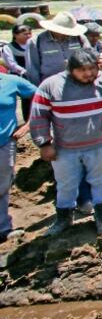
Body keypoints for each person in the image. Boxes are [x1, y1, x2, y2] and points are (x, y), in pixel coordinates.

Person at [30, 50, 102, 236]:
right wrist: (44, 144)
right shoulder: (51, 85)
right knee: (65, 185)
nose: (88, 74)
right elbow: (39, 116)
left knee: (100, 181)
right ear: (70, 69)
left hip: (100, 145)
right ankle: (64, 218)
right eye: (82, 70)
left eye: (92, 69)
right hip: (65, 148)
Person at [0, 69, 35, 241]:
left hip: (4, 143)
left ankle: (3, 228)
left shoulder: (11, 81)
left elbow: (41, 97)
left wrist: (29, 124)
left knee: (2, 185)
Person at [26, 12, 88, 86]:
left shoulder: (80, 38)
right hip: (50, 85)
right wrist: (38, 89)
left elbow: (90, 59)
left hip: (78, 83)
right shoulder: (36, 42)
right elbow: (32, 69)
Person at [2, 24, 33, 121]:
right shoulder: (8, 47)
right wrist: (24, 71)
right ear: (15, 35)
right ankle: (27, 120)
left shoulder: (33, 44)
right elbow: (11, 64)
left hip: (33, 74)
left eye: (29, 33)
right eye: (25, 34)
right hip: (19, 76)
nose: (28, 36)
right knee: (26, 99)